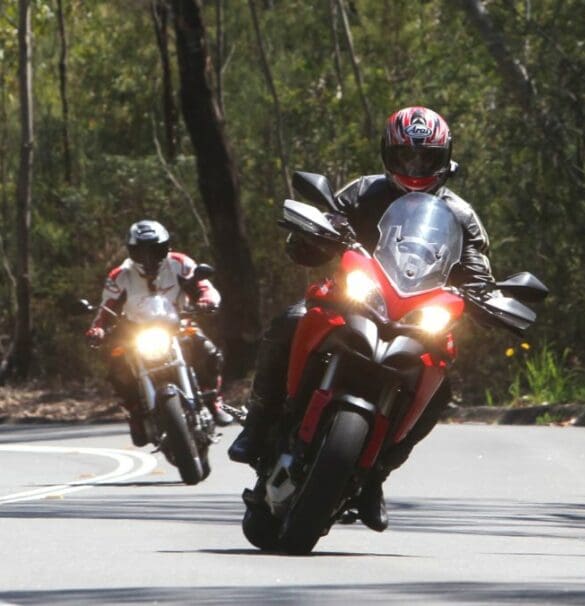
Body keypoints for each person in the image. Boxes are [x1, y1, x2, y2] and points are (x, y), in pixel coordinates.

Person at [228, 106, 496, 531]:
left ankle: (376, 474)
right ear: (387, 154)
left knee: (442, 383)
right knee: (289, 321)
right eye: (405, 156)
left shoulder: (460, 215)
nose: (414, 166)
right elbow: (313, 236)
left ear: (444, 158)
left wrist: (490, 299)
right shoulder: (364, 192)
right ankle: (259, 423)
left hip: (418, 314)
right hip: (355, 299)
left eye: (425, 158)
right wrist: (311, 235)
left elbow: (480, 273)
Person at [85, 219, 233, 446]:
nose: (148, 257)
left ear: (166, 247)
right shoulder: (120, 276)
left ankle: (213, 400)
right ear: (131, 251)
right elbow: (106, 308)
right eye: (141, 251)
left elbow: (203, 286)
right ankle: (136, 414)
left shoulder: (180, 264)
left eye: (154, 250)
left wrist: (206, 301)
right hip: (135, 333)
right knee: (117, 366)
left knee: (208, 351)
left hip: (177, 325)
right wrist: (97, 330)